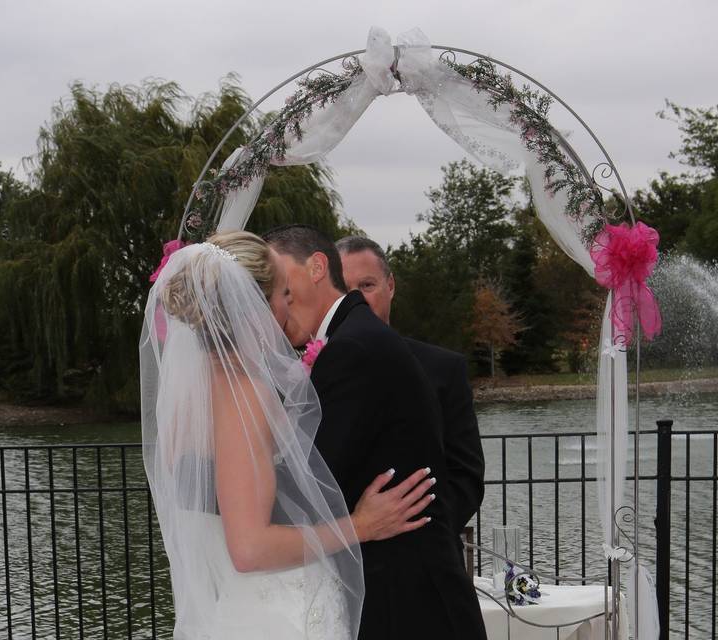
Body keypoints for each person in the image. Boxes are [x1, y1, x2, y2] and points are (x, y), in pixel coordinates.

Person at [140, 231, 434, 639]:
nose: (286, 305)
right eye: (282, 293)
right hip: (279, 614)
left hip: (233, 608)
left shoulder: (189, 398)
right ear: (253, 308)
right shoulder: (246, 395)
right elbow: (248, 548)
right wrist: (360, 525)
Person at [263, 224, 487, 639]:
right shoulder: (353, 338)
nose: (276, 301)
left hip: (409, 605)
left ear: (315, 267)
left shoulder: (353, 349)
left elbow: (309, 489)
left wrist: (207, 491)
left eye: (282, 285)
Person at [336, 235, 485, 538]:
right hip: (334, 556)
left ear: (390, 286)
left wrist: (422, 537)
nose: (356, 301)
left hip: (422, 559)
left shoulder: (444, 369)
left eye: (366, 286)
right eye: (345, 290)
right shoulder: (307, 373)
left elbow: (465, 476)